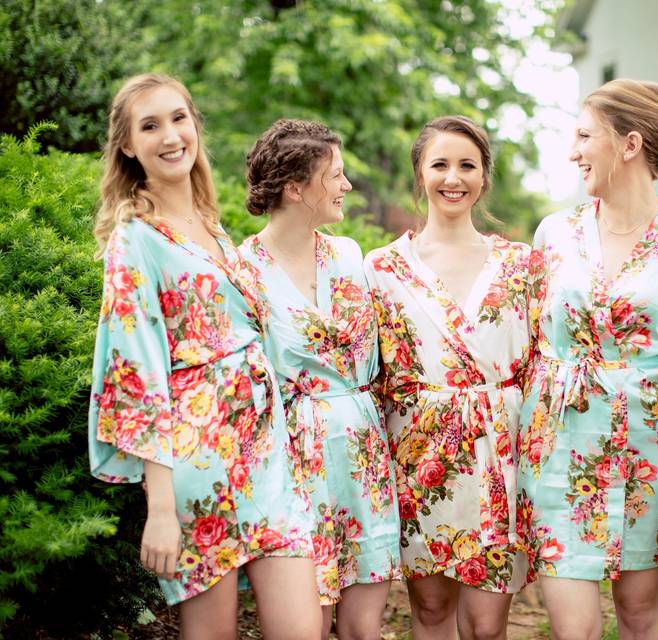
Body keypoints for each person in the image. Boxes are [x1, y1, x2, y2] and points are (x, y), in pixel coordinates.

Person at [88, 74, 323, 638]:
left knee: (303, 628)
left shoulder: (212, 227)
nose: (170, 136)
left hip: (267, 456)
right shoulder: (136, 240)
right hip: (197, 463)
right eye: (150, 126)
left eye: (178, 118)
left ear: (194, 125)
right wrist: (161, 507)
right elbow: (137, 376)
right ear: (127, 145)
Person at [516, 78, 658, 640]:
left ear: (629, 144)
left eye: (584, 136)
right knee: (572, 626)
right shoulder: (555, 233)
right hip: (560, 441)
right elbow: (532, 337)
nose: (573, 150)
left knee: (638, 615)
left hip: (649, 448)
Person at [363, 115, 530, 640]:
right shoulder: (383, 268)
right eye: (440, 164)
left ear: (484, 177)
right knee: (432, 610)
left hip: (498, 454)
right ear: (420, 174)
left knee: (486, 625)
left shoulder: (520, 265)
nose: (452, 177)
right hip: (420, 454)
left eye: (467, 165)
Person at [239, 119, 401, 640]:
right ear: (295, 187)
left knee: (362, 628)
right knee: (301, 629)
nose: (347, 186)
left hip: (362, 455)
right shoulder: (242, 271)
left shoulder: (349, 256)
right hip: (291, 462)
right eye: (336, 174)